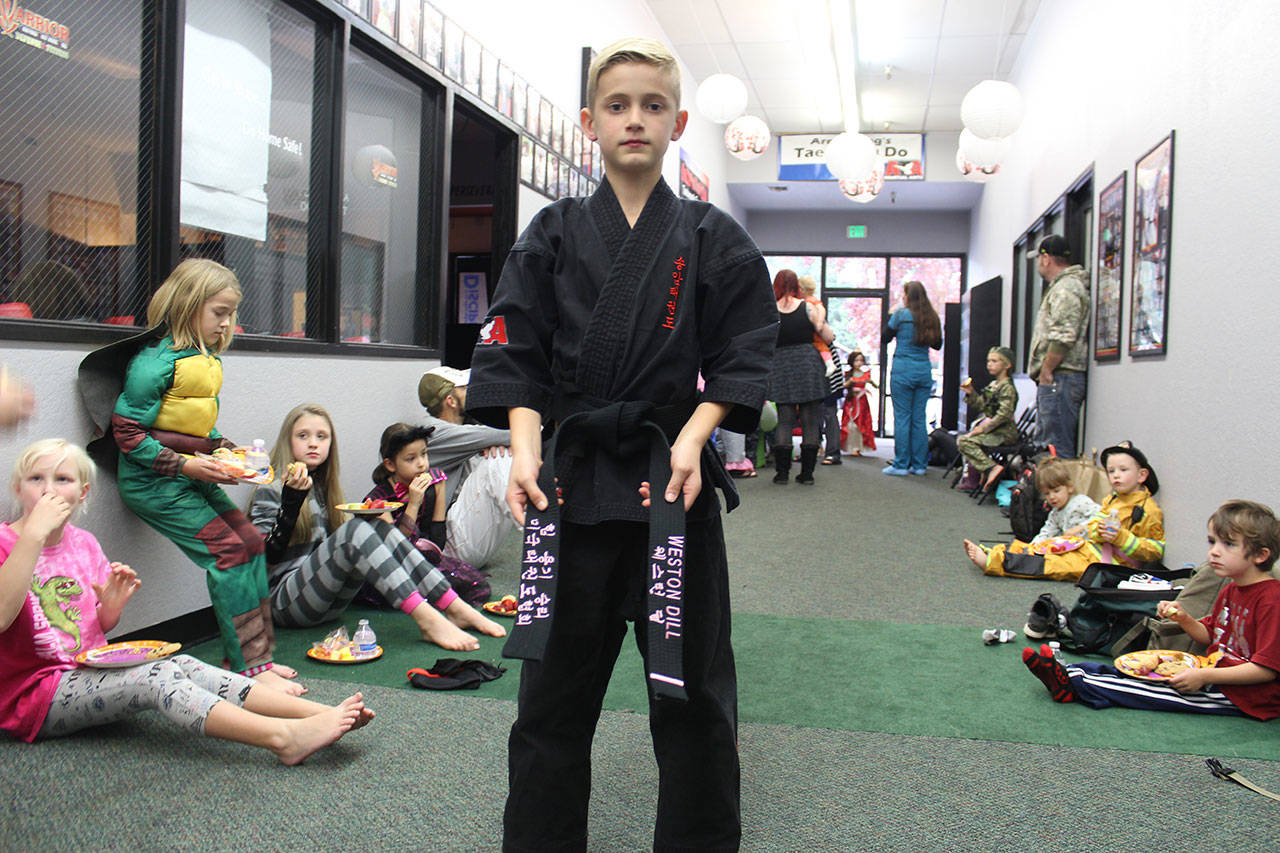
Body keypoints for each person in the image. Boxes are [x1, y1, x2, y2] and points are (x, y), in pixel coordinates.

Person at [465, 37, 776, 852]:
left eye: (651, 105)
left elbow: (746, 351)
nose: (634, 119)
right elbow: (513, 350)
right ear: (588, 123)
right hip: (568, 489)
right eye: (617, 105)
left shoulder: (712, 236)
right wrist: (525, 448)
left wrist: (695, 434)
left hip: (670, 489)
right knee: (550, 703)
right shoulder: (555, 231)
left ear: (676, 122)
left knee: (696, 700)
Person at [0, 439, 373, 762]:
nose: (48, 490)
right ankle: (283, 739)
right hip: (35, 698)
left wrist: (110, 607)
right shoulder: (5, 542)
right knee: (157, 677)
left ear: (81, 493)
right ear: (19, 488)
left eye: (62, 479)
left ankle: (315, 713)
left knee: (181, 663)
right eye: (36, 479)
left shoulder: (83, 543)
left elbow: (97, 630)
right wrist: (33, 534)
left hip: (89, 672)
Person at [95, 259, 295, 692]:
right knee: (228, 554)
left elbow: (195, 425)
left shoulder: (201, 360)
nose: (226, 324)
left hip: (189, 477)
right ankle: (248, 669)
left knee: (251, 544)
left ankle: (258, 658)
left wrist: (227, 450)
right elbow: (128, 433)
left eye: (230, 315)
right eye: (218, 312)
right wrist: (187, 464)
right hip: (155, 484)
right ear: (186, 306)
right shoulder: (154, 363)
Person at [247, 405, 505, 652]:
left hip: (330, 605)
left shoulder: (324, 486)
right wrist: (291, 504)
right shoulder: (272, 486)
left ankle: (453, 605)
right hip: (286, 603)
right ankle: (428, 619)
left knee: (374, 525)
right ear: (287, 441)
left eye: (321, 436)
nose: (313, 443)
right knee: (356, 531)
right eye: (303, 436)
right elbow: (261, 562)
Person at [1023, 500, 1280, 719]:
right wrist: (1185, 618)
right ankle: (1068, 671)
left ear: (1260, 555)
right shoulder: (1231, 589)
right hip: (1213, 672)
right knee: (1137, 671)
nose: (1214, 552)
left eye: (1228, 545)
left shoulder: (1271, 600)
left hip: (1244, 696)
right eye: (1212, 542)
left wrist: (1204, 676)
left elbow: (1265, 669)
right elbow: (1209, 636)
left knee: (1152, 692)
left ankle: (1073, 684)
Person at [965, 441, 1164, 582]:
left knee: (1052, 566)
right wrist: (1097, 532)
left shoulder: (1147, 509)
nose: (1116, 476)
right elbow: (1095, 526)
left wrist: (1120, 538)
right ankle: (997, 553)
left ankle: (995, 563)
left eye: (1123, 470)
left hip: (1109, 565)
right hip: (1090, 548)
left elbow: (1156, 550)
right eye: (1111, 471)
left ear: (1142, 475)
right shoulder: (1112, 499)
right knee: (1046, 547)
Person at [363, 422, 493, 607]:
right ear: (390, 464)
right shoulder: (378, 500)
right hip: (392, 567)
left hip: (423, 558)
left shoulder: (435, 481)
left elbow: (437, 540)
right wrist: (414, 502)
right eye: (411, 458)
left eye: (423, 454)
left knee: (473, 585)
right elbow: (395, 548)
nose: (421, 463)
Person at [417, 366, 520, 567]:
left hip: (463, 536)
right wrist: (538, 426)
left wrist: (490, 447)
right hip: (444, 547)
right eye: (465, 388)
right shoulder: (432, 431)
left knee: (501, 453)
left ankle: (534, 520)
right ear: (450, 401)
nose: (472, 392)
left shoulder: (461, 433)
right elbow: (507, 434)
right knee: (503, 457)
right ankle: (536, 526)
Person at [767, 269, 833, 485]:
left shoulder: (769, 310)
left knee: (785, 421)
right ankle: (807, 475)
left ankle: (782, 474)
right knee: (810, 421)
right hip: (807, 362)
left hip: (781, 364)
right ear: (796, 286)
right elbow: (828, 336)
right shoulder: (808, 307)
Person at [1027, 235, 1090, 459]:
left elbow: (1064, 335)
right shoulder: (1062, 286)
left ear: (1045, 259)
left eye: (1038, 259)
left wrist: (1047, 370)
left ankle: (1055, 495)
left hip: (1061, 378)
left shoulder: (1066, 288)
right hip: (1058, 378)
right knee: (1046, 446)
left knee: (1056, 451)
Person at [883, 280, 942, 476]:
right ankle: (919, 465)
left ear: (908, 296)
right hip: (923, 371)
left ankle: (900, 464)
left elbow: (885, 337)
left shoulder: (901, 315)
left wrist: (892, 313)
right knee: (919, 419)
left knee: (902, 418)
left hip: (902, 371)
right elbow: (937, 345)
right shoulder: (931, 316)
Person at [955, 346, 1020, 490]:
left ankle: (991, 469)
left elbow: (1004, 415)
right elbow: (984, 406)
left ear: (1007, 365)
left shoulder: (1007, 388)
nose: (989, 364)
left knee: (965, 442)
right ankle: (985, 471)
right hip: (994, 431)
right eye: (988, 361)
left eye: (995, 361)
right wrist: (971, 394)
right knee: (964, 440)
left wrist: (983, 428)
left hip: (1004, 433)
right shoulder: (994, 385)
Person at [839, 350, 876, 456]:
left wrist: (871, 382)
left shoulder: (865, 374)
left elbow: (874, 384)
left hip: (862, 401)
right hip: (851, 401)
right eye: (856, 360)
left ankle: (859, 447)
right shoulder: (848, 374)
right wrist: (849, 382)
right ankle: (851, 446)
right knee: (851, 424)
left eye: (861, 360)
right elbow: (843, 386)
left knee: (862, 423)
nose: (859, 363)